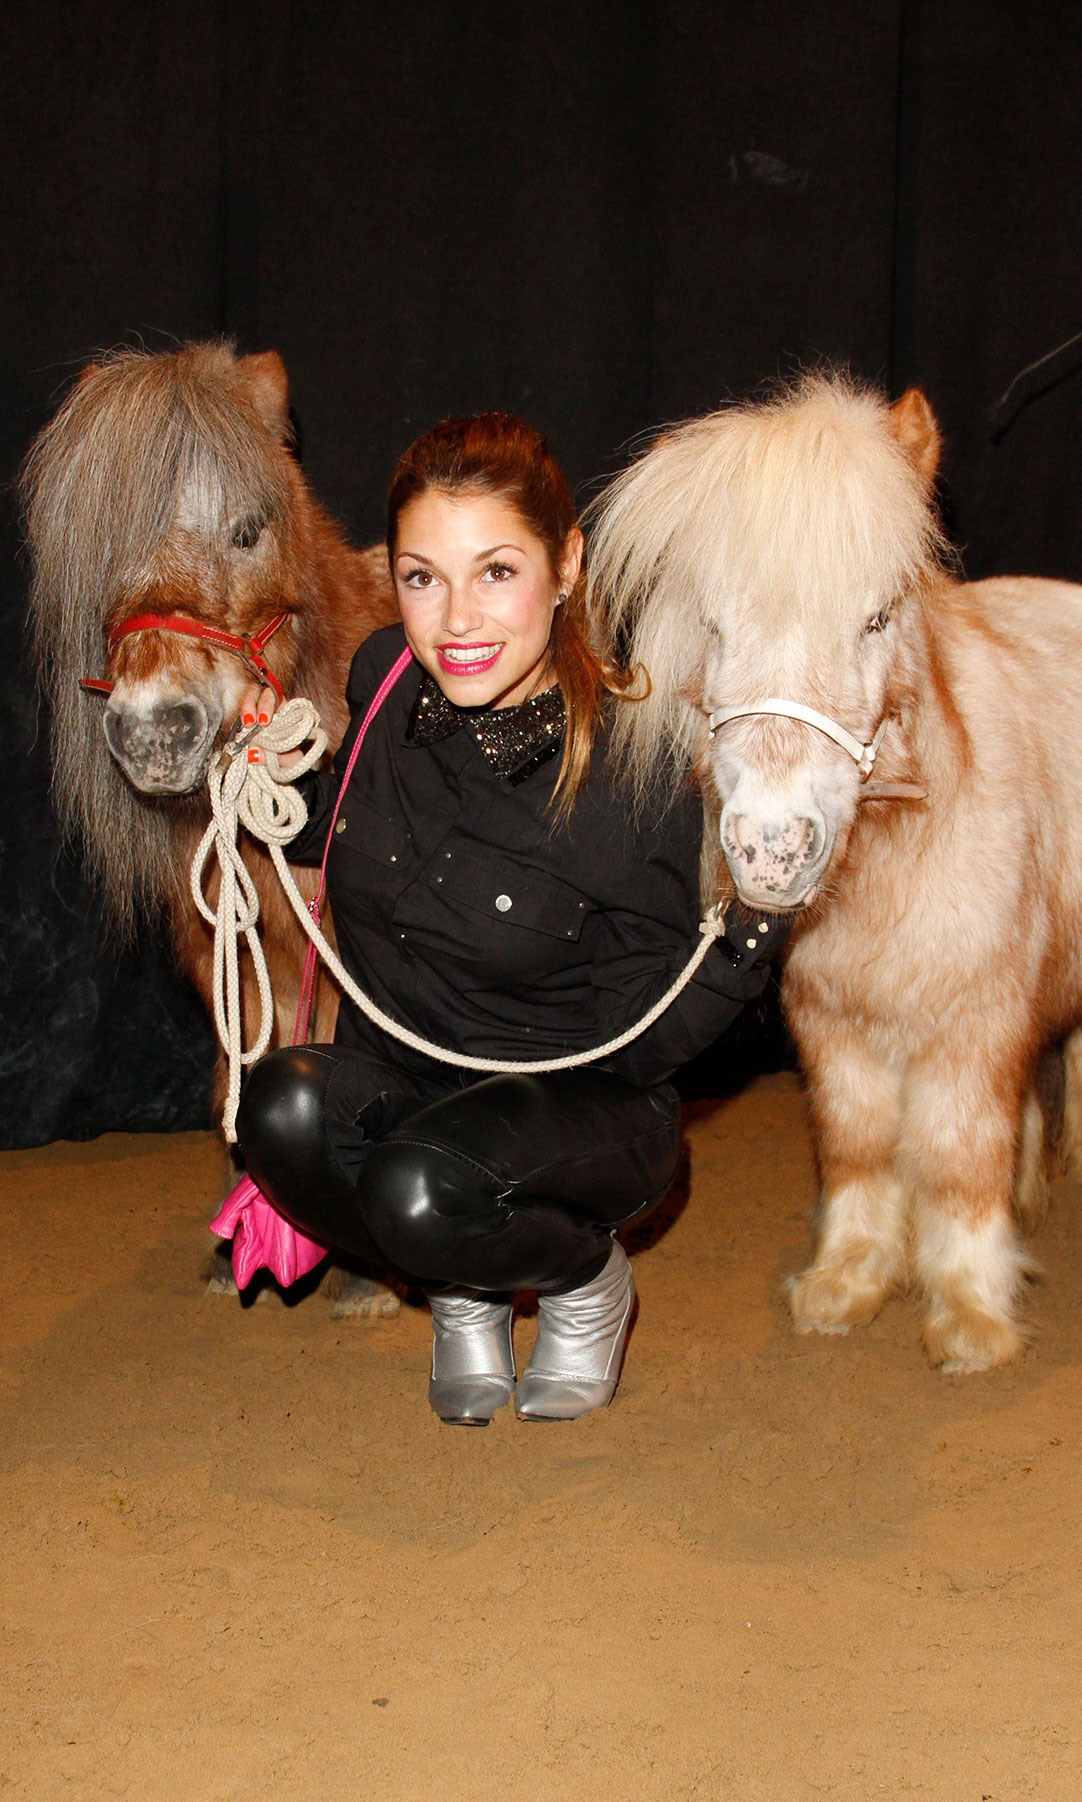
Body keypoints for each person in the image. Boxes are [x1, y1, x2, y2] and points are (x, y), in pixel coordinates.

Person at [235, 413, 789, 1426]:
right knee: (275, 1108)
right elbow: (369, 828)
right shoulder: (384, 677)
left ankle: (582, 1280)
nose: (454, 619)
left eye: (495, 571)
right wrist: (273, 788)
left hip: (578, 1103)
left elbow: (649, 1031)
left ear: (566, 563)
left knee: (414, 1188)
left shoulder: (632, 764)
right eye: (420, 577)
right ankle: (463, 1273)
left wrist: (756, 921)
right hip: (415, 1072)